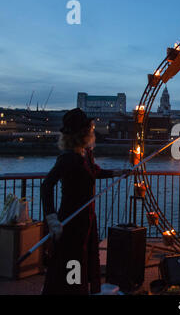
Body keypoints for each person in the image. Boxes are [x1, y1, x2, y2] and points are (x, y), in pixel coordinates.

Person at [41, 108, 129, 295]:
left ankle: (84, 290)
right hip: (71, 221)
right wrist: (52, 218)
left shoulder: (85, 154)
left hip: (87, 217)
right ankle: (73, 291)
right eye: (90, 129)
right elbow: (47, 186)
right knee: (73, 260)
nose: (93, 132)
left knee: (87, 258)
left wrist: (117, 173)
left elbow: (95, 172)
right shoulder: (67, 159)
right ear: (82, 133)